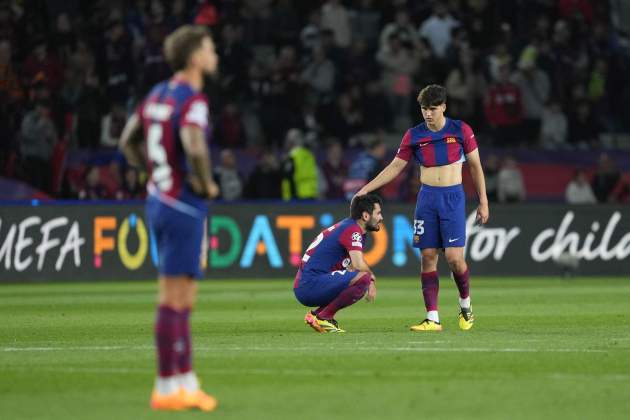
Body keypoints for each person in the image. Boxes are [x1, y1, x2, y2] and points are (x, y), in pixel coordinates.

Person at [119, 25, 220, 412]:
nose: (215, 55)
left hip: (159, 201)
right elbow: (194, 143)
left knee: (179, 299)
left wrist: (154, 176)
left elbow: (128, 140)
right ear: (194, 57)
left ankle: (183, 381)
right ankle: (168, 386)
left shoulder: (156, 94)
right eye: (210, 49)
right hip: (184, 206)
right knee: (176, 300)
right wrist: (205, 182)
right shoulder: (192, 99)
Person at [355, 84, 489, 332]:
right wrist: (367, 189)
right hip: (427, 199)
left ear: (444, 107)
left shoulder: (461, 130)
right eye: (424, 109)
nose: (428, 114)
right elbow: (395, 167)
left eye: (433, 109)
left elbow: (475, 167)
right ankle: (432, 318)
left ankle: (465, 304)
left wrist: (483, 201)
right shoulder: (414, 135)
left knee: (454, 260)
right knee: (428, 257)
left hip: (452, 199)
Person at [294, 194, 382, 333]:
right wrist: (371, 280)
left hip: (306, 283)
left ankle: (317, 316)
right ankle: (324, 317)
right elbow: (359, 265)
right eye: (378, 213)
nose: (381, 218)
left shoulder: (349, 227)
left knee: (357, 277)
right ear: (366, 216)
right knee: (363, 278)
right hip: (310, 284)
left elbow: (352, 266)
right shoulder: (353, 230)